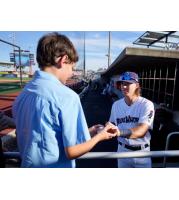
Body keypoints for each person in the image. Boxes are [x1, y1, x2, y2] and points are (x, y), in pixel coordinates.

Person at [12, 32, 118, 168]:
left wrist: (89, 131)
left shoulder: (23, 94)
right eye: (72, 67)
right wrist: (100, 136)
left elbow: (44, 134)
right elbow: (72, 151)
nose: (72, 73)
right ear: (63, 60)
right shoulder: (67, 96)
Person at [109, 71, 155, 168]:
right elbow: (111, 123)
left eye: (128, 83)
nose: (124, 86)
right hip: (122, 151)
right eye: (122, 83)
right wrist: (106, 127)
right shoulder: (116, 105)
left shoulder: (146, 104)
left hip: (142, 153)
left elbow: (141, 131)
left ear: (137, 85)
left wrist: (119, 132)